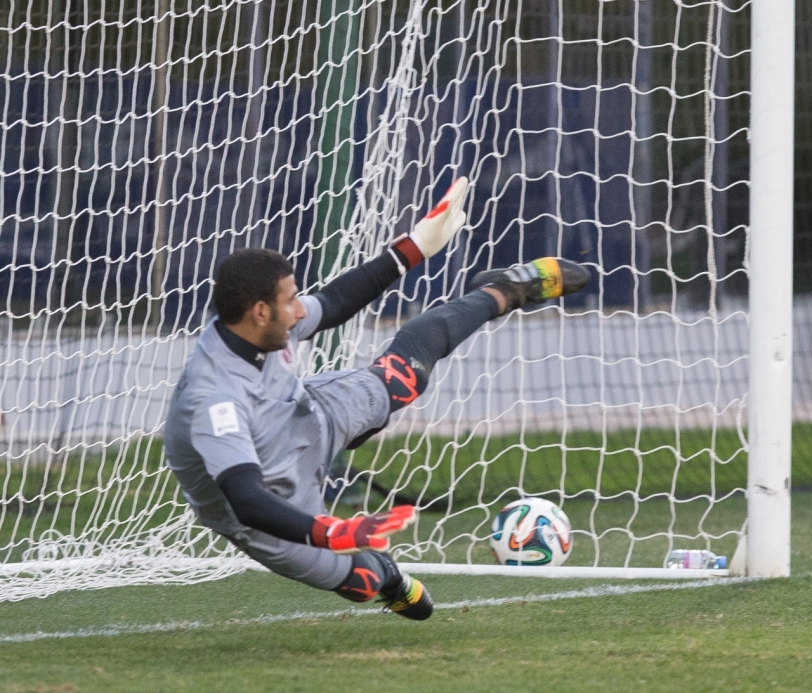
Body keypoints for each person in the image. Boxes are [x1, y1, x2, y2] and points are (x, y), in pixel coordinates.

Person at [163, 177, 590, 621]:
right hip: (268, 506)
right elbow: (246, 499)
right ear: (260, 312)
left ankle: (505, 290)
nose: (300, 310)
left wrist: (414, 248)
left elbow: (334, 301)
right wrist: (329, 532)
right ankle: (391, 580)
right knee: (363, 581)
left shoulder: (263, 323)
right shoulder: (215, 400)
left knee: (402, 377)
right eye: (291, 301)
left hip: (307, 418)